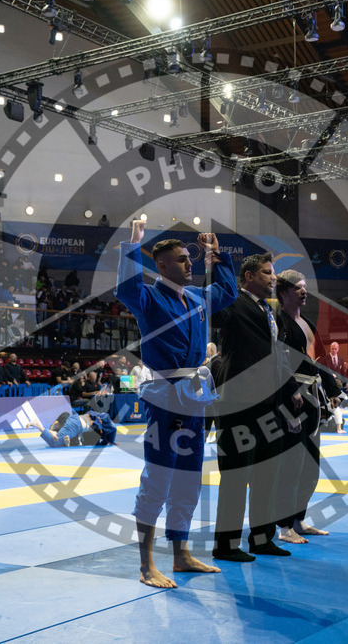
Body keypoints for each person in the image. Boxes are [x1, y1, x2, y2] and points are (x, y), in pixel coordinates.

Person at [114, 219, 236, 588]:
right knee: (158, 479)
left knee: (188, 479)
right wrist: (132, 245)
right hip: (165, 397)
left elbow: (227, 291)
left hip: (195, 398)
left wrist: (217, 255)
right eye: (181, 259)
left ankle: (181, 555)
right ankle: (146, 564)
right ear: (162, 265)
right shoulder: (149, 298)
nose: (189, 263)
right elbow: (127, 288)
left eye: (190, 258)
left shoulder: (197, 298)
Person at [210, 252, 303, 562]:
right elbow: (215, 314)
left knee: (267, 475)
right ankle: (226, 545)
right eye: (266, 272)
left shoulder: (270, 310)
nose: (273, 277)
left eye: (273, 272)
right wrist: (218, 266)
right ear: (248, 276)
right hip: (238, 403)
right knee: (236, 476)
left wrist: (291, 388)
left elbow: (278, 352)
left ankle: (262, 539)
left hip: (270, 403)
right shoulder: (232, 302)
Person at [273, 270, 341, 545]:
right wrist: (289, 393)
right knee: (291, 465)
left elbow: (320, 360)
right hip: (290, 398)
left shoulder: (308, 323)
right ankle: (283, 526)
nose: (304, 291)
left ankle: (298, 520)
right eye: (298, 288)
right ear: (284, 292)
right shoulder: (277, 322)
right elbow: (276, 362)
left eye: (305, 287)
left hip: (312, 398)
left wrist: (333, 390)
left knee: (310, 467)